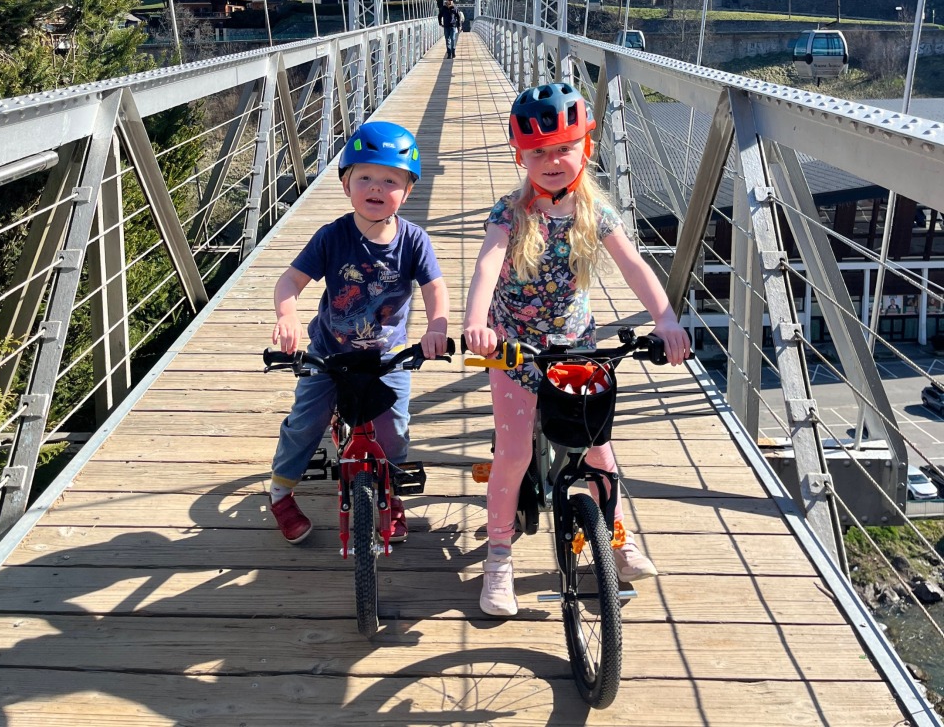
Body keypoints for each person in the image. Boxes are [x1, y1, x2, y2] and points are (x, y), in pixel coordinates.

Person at [463, 82, 691, 617]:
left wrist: (665, 319)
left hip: (575, 345)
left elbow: (635, 266)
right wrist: (476, 323)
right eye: (537, 152)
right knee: (514, 453)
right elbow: (487, 266)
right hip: (513, 350)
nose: (551, 161)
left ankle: (613, 534)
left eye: (563, 148)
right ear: (520, 156)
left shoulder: (596, 213)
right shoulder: (510, 214)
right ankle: (498, 556)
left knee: (598, 448)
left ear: (585, 148)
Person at [268, 121, 450, 544]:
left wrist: (436, 325)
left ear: (407, 191)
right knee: (307, 420)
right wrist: (288, 313)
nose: (376, 187)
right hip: (331, 352)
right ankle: (280, 492)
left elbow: (434, 287)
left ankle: (389, 490)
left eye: (390, 180)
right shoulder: (332, 236)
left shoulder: (414, 241)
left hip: (388, 355)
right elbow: (289, 282)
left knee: (394, 429)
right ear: (346, 184)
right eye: (364, 176)